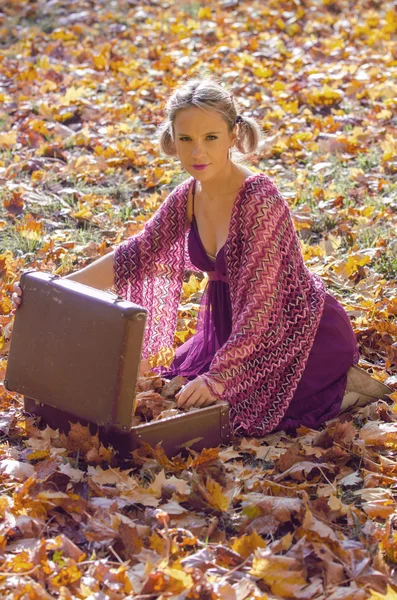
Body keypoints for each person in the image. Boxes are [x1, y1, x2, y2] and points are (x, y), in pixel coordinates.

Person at [11, 75, 392, 437]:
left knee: (251, 414)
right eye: (186, 138)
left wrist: (222, 377)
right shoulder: (188, 196)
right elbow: (135, 254)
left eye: (211, 137)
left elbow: (262, 306)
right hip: (228, 329)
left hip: (293, 330)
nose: (198, 152)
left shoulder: (260, 201)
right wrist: (55, 289)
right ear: (171, 140)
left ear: (232, 136)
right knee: (179, 391)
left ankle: (345, 384)